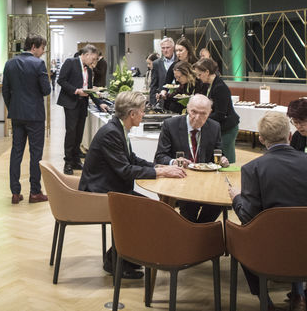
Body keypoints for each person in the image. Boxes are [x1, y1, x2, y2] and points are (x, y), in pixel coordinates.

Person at [228, 111, 307, 311]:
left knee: (237, 236)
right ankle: (298, 294)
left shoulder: (253, 169)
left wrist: (237, 198)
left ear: (261, 139)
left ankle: (267, 302)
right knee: (294, 226)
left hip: (271, 254)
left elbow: (248, 218)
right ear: (289, 135)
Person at [79, 90, 186, 278]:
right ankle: (116, 260)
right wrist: (161, 172)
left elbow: (131, 159)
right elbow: (126, 171)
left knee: (153, 208)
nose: (144, 114)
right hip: (100, 191)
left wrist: (158, 166)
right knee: (152, 210)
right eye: (143, 111)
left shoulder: (117, 128)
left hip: (110, 186)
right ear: (132, 114)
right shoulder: (112, 132)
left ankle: (124, 257)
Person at [155, 94, 229, 222]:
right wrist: (174, 162)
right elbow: (160, 157)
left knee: (220, 201)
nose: (197, 117)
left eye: (203, 114)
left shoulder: (214, 127)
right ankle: (193, 233)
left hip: (206, 181)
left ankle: (199, 231)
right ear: (187, 108)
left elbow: (217, 153)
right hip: (182, 180)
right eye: (194, 112)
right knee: (190, 204)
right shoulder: (170, 125)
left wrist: (223, 159)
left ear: (210, 113)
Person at [2, 34, 52, 204]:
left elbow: (5, 90)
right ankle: (35, 192)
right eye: (42, 49)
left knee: (16, 152)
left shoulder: (9, 63)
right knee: (35, 154)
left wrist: (13, 107)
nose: (42, 53)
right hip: (35, 115)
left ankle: (15, 193)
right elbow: (46, 90)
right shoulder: (38, 64)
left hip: (17, 114)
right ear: (34, 47)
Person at [56, 44, 99, 175]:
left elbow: (89, 89)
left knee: (79, 133)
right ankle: (67, 162)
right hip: (71, 103)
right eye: (93, 58)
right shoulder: (71, 62)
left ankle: (76, 160)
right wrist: (76, 91)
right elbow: (61, 80)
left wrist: (99, 103)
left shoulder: (90, 70)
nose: (94, 61)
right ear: (86, 55)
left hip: (83, 104)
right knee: (71, 132)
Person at [193, 57, 240, 162]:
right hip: (220, 126)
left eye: (199, 74)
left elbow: (220, 114)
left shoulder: (220, 87)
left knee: (226, 157)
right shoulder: (209, 85)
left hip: (228, 127)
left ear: (207, 72)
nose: (198, 77)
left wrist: (202, 119)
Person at [148, 37, 176, 107]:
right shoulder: (156, 63)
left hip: (177, 97)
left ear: (173, 48)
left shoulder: (179, 61)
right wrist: (152, 103)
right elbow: (153, 85)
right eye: (163, 48)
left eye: (168, 47)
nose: (165, 50)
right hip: (163, 100)